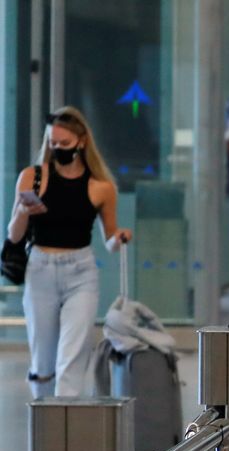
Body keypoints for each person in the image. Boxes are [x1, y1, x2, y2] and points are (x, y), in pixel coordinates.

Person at [7, 107, 132, 399]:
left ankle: (67, 430)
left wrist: (120, 238)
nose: (57, 149)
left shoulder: (101, 187)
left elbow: (109, 238)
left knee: (73, 356)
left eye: (64, 143)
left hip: (81, 272)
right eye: (53, 143)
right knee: (43, 361)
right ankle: (44, 428)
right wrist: (24, 211)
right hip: (40, 269)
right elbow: (13, 235)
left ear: (81, 142)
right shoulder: (32, 177)